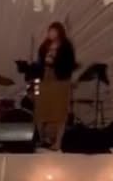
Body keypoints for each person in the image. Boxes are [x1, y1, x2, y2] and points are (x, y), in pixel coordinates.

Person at [32, 21, 78, 150]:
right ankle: (43, 138)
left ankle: (58, 141)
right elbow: (39, 61)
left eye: (53, 31)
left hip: (60, 81)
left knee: (59, 111)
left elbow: (69, 63)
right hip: (45, 80)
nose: (51, 33)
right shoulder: (44, 46)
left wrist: (54, 62)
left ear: (59, 32)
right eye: (49, 31)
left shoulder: (66, 46)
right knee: (41, 110)